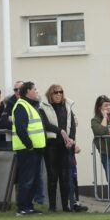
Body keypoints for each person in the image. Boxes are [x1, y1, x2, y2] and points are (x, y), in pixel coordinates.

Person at [38, 84, 77, 212]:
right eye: (55, 92)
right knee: (52, 176)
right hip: (51, 145)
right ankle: (52, 206)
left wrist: (71, 139)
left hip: (65, 146)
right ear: (50, 94)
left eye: (61, 92)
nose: (58, 94)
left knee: (65, 176)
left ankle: (66, 206)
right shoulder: (43, 107)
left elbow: (73, 124)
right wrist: (60, 131)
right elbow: (46, 124)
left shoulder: (67, 106)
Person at [12, 81, 46, 216]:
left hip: (35, 149)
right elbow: (21, 128)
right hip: (27, 150)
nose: (37, 91)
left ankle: (28, 206)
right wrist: (29, 145)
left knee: (33, 180)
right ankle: (22, 207)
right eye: (35, 89)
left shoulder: (30, 105)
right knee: (27, 179)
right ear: (27, 92)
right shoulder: (21, 106)